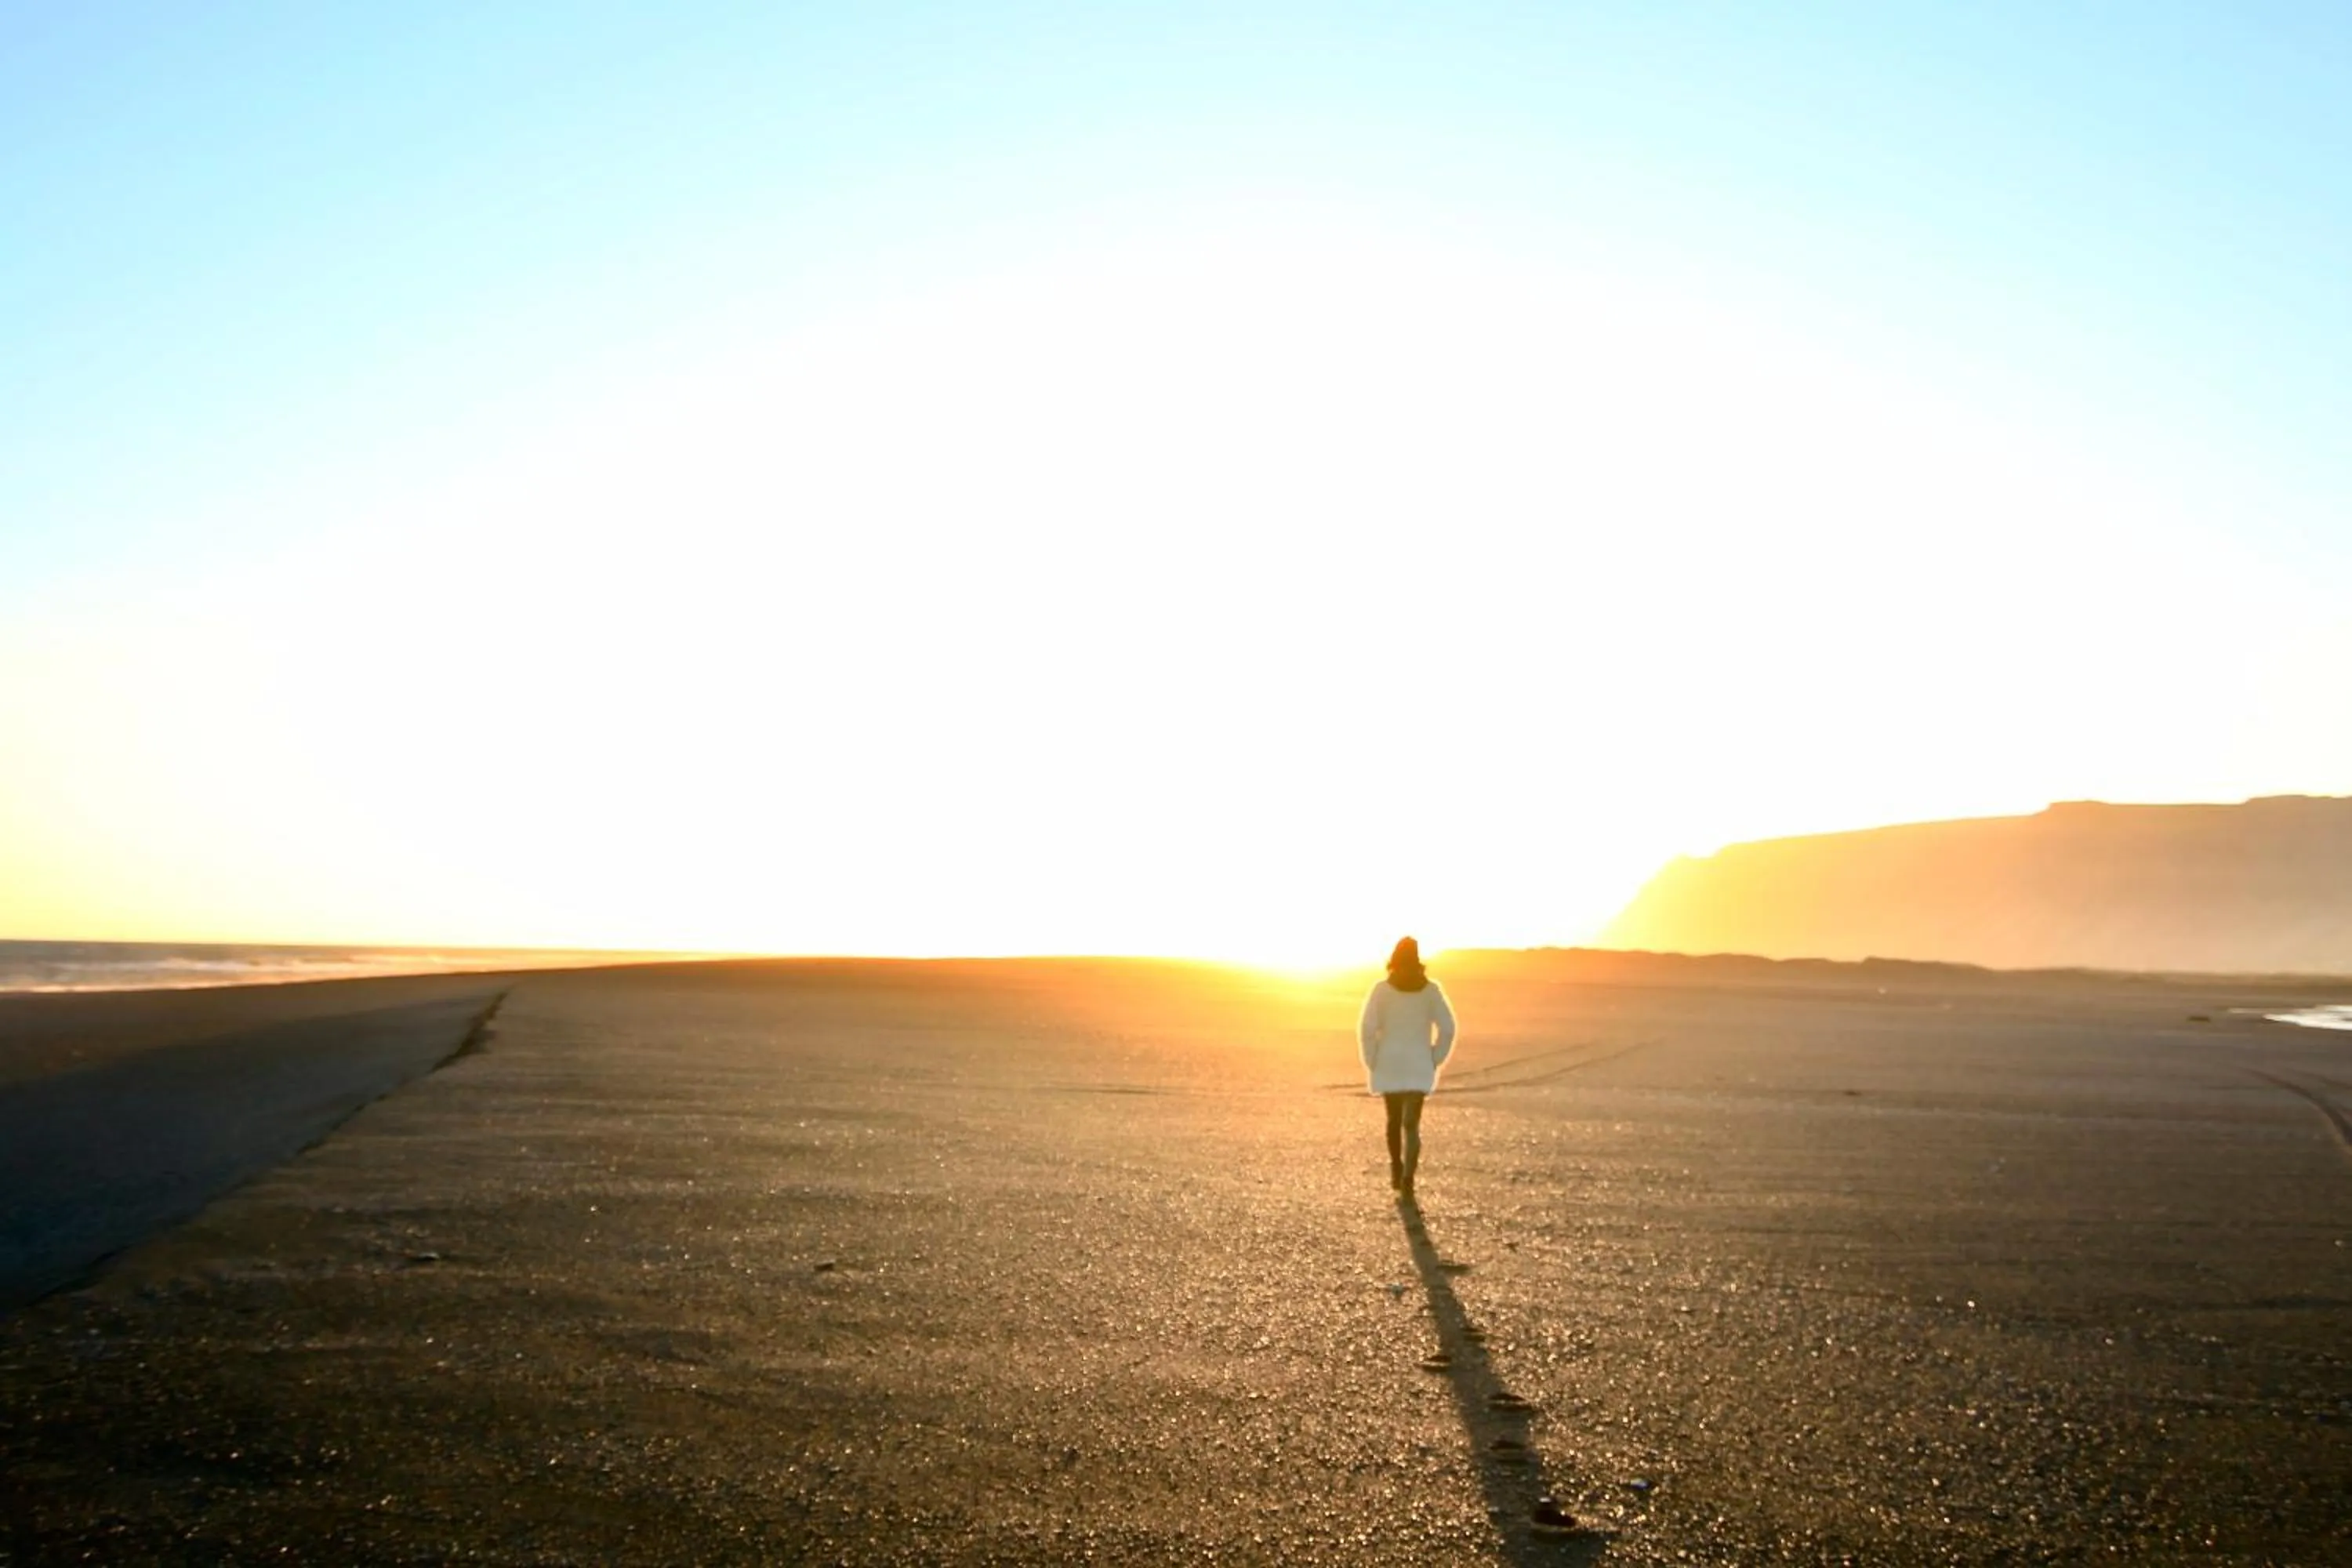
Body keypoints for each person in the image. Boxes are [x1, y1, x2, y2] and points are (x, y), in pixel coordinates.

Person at [1358, 936, 1457, 1201]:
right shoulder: (1430, 990)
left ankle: (1397, 1168)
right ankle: (1407, 1178)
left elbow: (1368, 1028)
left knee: (1393, 1121)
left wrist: (1372, 1058)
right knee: (1411, 1124)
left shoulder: (1382, 990)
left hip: (1390, 1063)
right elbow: (1448, 1028)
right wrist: (1434, 1057)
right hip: (1417, 1064)